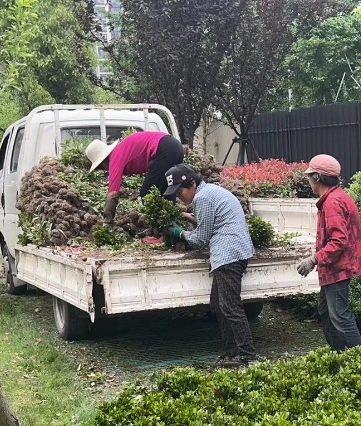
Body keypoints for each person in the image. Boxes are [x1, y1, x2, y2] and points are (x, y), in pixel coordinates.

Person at [165, 164, 257, 368]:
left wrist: (179, 233)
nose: (179, 197)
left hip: (229, 254)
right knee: (218, 305)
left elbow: (200, 240)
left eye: (180, 191)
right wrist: (189, 217)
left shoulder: (202, 198)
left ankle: (247, 357)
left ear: (193, 183)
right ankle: (231, 353)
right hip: (233, 252)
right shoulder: (211, 192)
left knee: (230, 307)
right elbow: (212, 221)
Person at [296, 154, 361, 352]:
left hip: (338, 268)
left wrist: (314, 259)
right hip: (335, 267)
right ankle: (339, 356)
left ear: (317, 178)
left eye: (310, 176)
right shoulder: (335, 197)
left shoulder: (332, 202)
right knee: (326, 312)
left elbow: (338, 241)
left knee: (340, 316)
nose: (308, 181)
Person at [85, 130, 185, 224]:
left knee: (147, 194)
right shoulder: (121, 150)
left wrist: (107, 221)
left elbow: (113, 193)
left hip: (164, 148)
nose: (105, 170)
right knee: (166, 191)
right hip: (174, 147)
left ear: (103, 161)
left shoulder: (115, 157)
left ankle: (159, 230)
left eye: (101, 167)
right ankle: (171, 226)